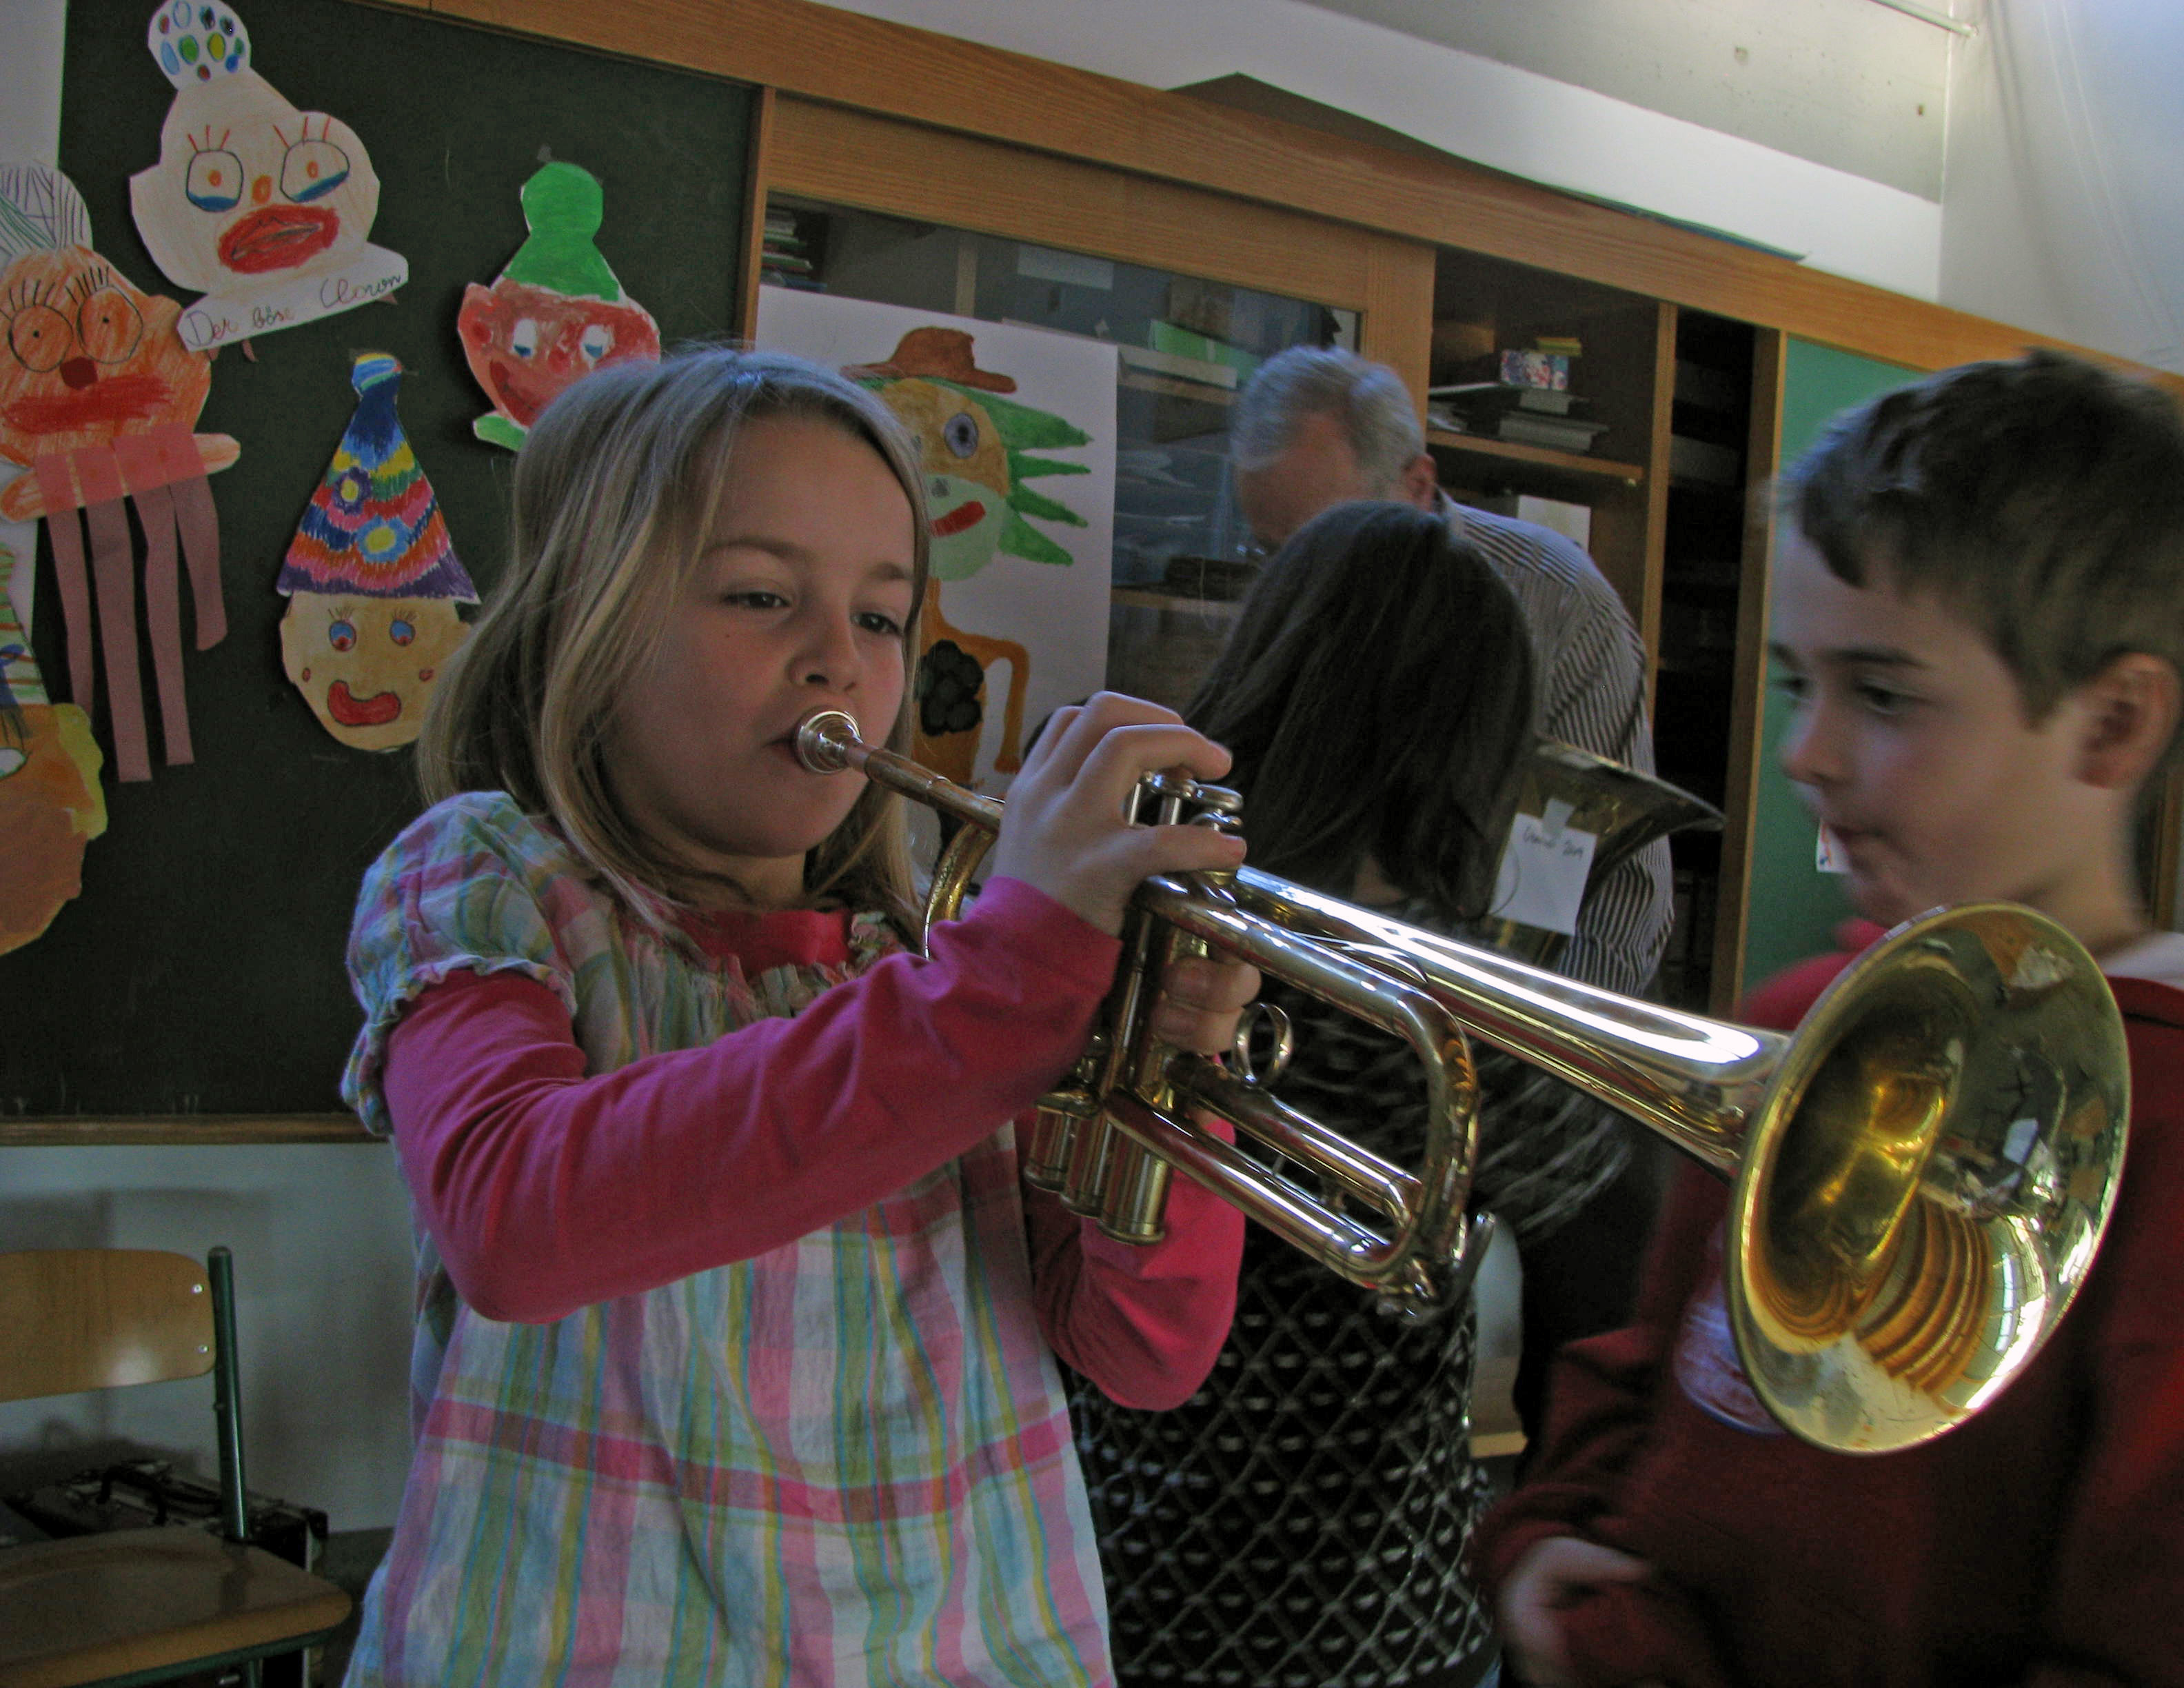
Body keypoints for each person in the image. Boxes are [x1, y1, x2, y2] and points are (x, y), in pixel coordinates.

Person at [335, 348, 1262, 1687]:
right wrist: (1010, 982)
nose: (838, 659)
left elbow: (1141, 1353)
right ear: (590, 622)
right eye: (763, 596)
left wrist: (1167, 1081)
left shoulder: (936, 959)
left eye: (883, 619)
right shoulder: (487, 875)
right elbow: (512, 1224)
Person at [1474, 348, 2184, 1688]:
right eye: (1801, 683)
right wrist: (1545, 1539)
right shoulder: (1799, 1018)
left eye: (1882, 694)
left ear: (2113, 725)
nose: (1805, 752)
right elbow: (1654, 1365)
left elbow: (2174, 1635)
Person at [1070, 500, 1607, 1688]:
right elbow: (1602, 1280)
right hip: (1381, 1621)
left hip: (1102, 1585)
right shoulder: (1478, 1020)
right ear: (1481, 746)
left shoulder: (1121, 919)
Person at [1230, 344, 1670, 1445]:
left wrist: (1550, 1072)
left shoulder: (1554, 601)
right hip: (1393, 998)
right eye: (1271, 552)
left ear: (1417, 483)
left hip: (1488, 1004)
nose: (1290, 578)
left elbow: (1614, 888)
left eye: (1311, 540)